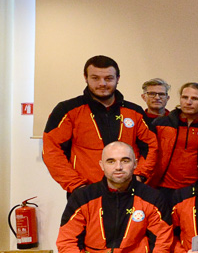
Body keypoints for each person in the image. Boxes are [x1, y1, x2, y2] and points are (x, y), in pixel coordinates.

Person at [40, 142, 172, 253]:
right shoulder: (83, 197)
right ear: (101, 165)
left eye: (125, 160)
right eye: (111, 161)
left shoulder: (153, 198)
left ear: (135, 163)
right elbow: (67, 243)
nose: (118, 167)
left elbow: (161, 245)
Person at [43, 55, 158, 193]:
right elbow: (51, 151)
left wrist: (139, 176)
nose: (102, 83)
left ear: (118, 79)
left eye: (108, 78)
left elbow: (151, 146)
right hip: (85, 193)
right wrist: (77, 186)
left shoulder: (135, 112)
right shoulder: (67, 110)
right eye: (95, 78)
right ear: (86, 78)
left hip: (129, 192)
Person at [144, 82, 198, 204]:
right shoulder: (161, 123)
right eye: (185, 97)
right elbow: (148, 153)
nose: (188, 102)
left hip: (196, 188)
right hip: (163, 187)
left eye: (194, 98)